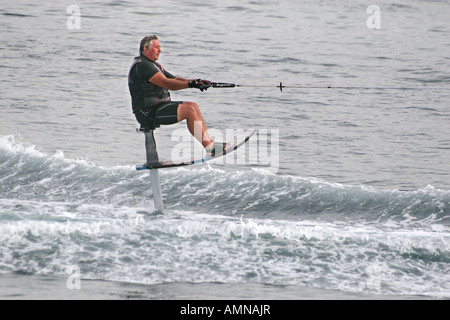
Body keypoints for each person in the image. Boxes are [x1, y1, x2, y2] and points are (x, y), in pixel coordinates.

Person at [128, 35, 228, 158]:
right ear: (145, 48)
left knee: (193, 106)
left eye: (160, 47)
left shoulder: (154, 65)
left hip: (157, 107)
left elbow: (174, 79)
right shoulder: (143, 66)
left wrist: (197, 82)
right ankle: (210, 148)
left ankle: (210, 145)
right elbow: (167, 83)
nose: (160, 50)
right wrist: (190, 85)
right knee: (189, 111)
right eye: (156, 47)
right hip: (147, 113)